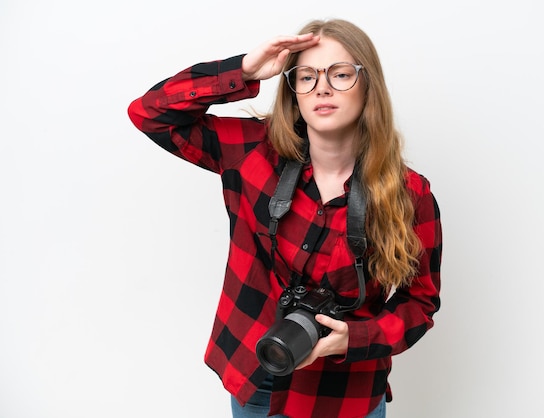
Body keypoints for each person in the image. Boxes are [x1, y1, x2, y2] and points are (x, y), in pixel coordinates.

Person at [128, 18, 442, 418]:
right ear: (293, 90)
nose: (322, 87)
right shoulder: (253, 152)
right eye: (306, 76)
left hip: (345, 394)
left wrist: (353, 338)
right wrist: (241, 70)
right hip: (256, 376)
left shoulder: (409, 193)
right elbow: (149, 114)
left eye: (341, 74)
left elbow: (421, 302)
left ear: (369, 87)